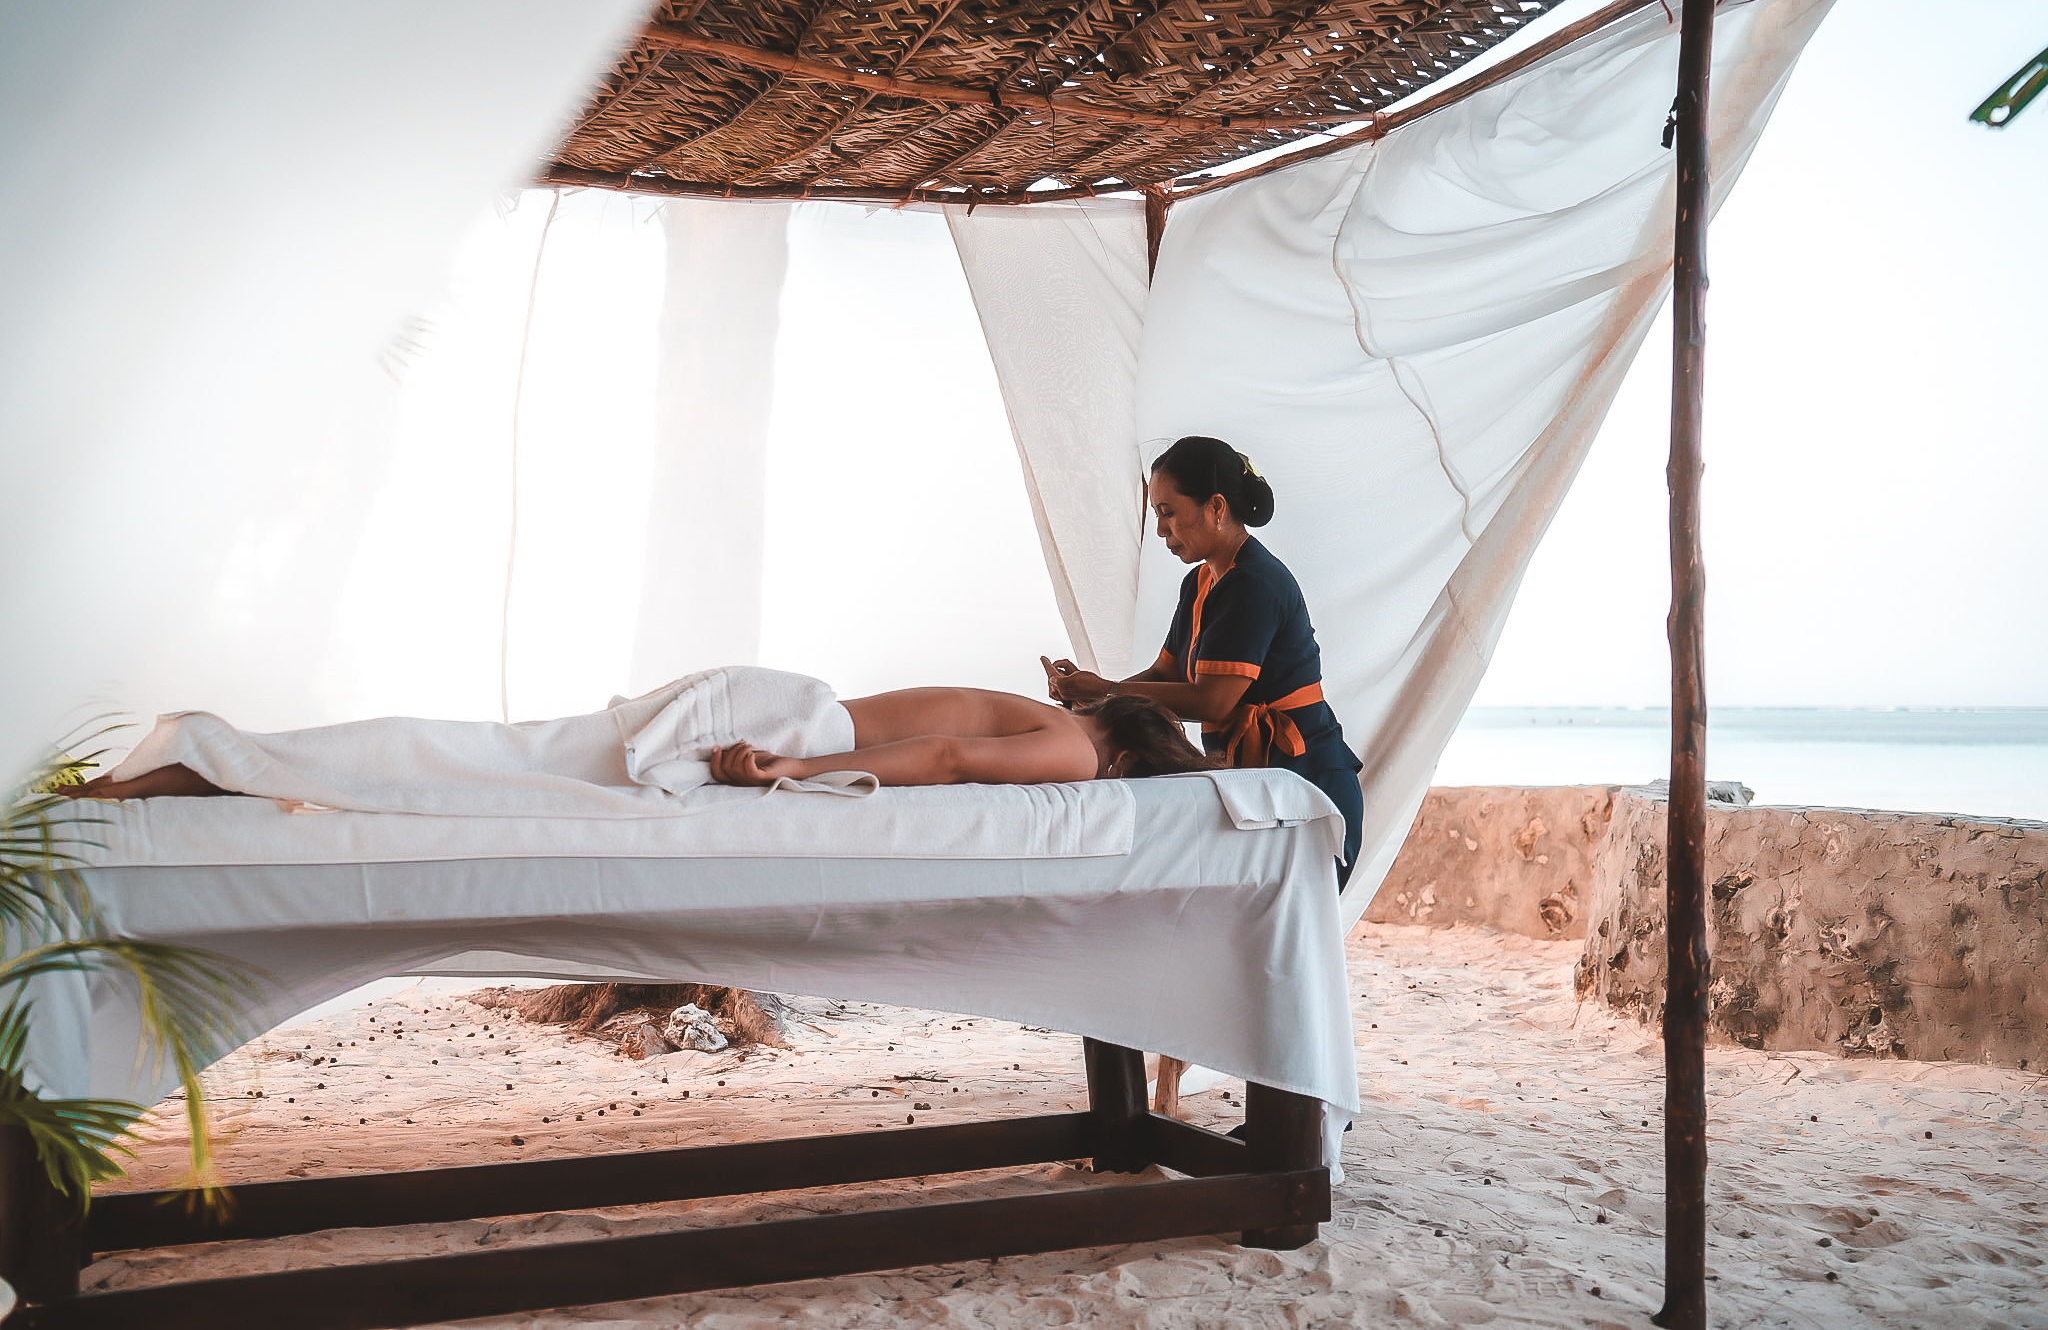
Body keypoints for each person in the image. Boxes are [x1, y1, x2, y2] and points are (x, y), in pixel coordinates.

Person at [1043, 435, 1364, 888]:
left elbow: (1212, 701)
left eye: (1168, 513)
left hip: (1305, 783)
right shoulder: (1199, 584)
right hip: (1254, 782)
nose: (1161, 530)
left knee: (1285, 946)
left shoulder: (1254, 582)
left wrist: (1107, 692)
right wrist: (1091, 701)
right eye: (1158, 515)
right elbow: (1165, 675)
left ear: (1215, 507)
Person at [61, 688, 1214, 800]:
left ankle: (197, 762)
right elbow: (954, 767)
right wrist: (794, 773)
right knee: (485, 767)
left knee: (496, 755)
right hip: (787, 729)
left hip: (774, 698)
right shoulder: (1073, 750)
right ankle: (203, 759)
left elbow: (954, 743)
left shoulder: (1047, 714)